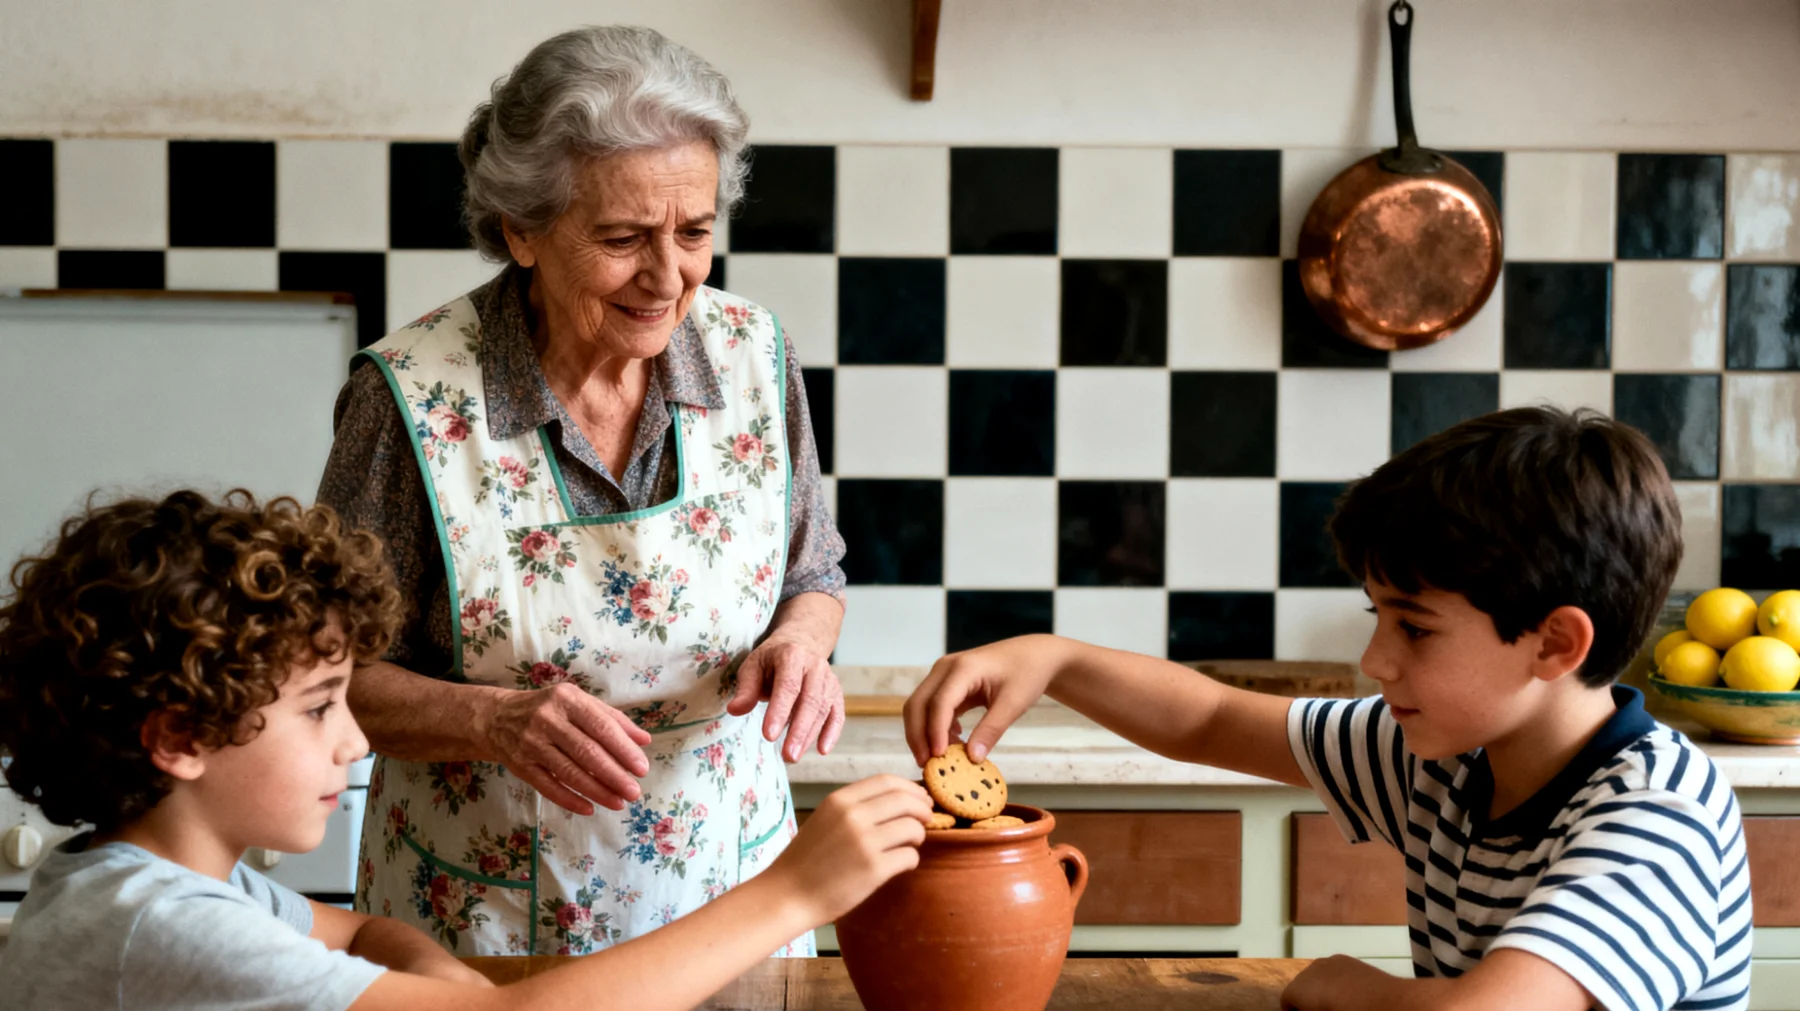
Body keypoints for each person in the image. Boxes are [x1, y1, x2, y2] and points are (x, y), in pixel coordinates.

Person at [904, 407, 1751, 1011]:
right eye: (1375, 617)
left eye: (1414, 628)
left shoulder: (1657, 811)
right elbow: (1206, 719)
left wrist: (1348, 983)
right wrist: (1051, 657)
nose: (1375, 660)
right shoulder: (1445, 754)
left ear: (1555, 644)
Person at [316, 25, 849, 954]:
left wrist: (802, 645)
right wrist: (496, 720)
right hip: (485, 934)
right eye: (622, 238)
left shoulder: (755, 356)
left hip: (731, 903)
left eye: (693, 232)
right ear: (521, 229)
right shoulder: (408, 398)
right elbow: (320, 677)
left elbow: (813, 573)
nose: (668, 275)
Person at [0, 490, 929, 1011]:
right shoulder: (162, 926)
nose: (357, 737)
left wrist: (439, 978)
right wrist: (796, 890)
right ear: (179, 738)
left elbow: (364, 933)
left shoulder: (161, 882)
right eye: (321, 707)